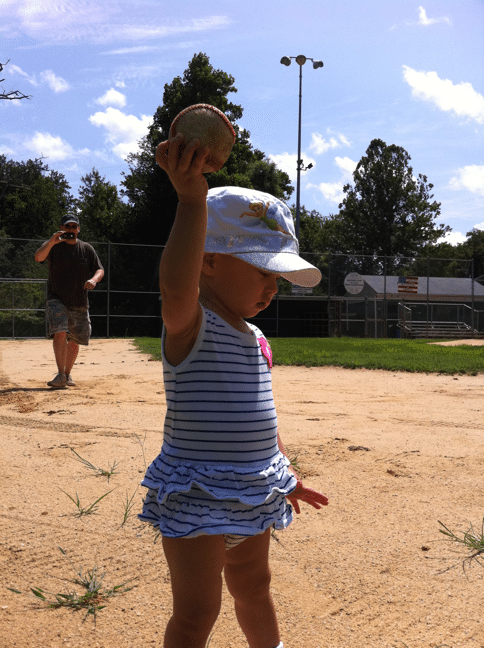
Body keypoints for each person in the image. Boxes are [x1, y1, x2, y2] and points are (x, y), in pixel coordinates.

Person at [139, 133, 329, 648]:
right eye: (263, 270)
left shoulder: (258, 337)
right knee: (198, 610)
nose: (273, 286)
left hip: (254, 491)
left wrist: (285, 474)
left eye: (278, 275)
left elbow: (264, 418)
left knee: (254, 586)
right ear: (208, 260)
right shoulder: (190, 324)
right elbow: (175, 284)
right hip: (198, 493)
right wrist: (190, 202)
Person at [34, 213, 104, 388]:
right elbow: (38, 257)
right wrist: (51, 241)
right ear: (61, 228)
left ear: (78, 229)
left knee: (75, 340)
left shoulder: (86, 249)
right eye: (67, 226)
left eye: (74, 226)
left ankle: (66, 374)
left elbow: (99, 269)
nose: (70, 229)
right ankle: (60, 375)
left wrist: (94, 280)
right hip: (56, 297)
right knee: (60, 331)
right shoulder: (54, 247)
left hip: (79, 301)